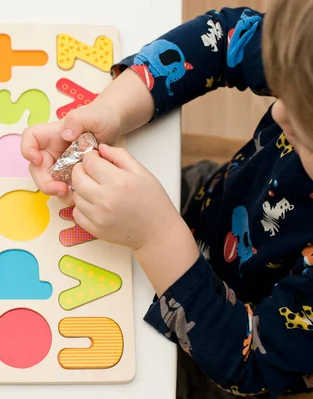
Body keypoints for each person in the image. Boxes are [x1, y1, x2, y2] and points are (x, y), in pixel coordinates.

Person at [21, 2, 313, 398]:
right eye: (286, 93)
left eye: (305, 128)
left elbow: (254, 365)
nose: (279, 111)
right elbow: (224, 38)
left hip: (216, 341)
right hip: (211, 203)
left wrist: (155, 236)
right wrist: (111, 110)